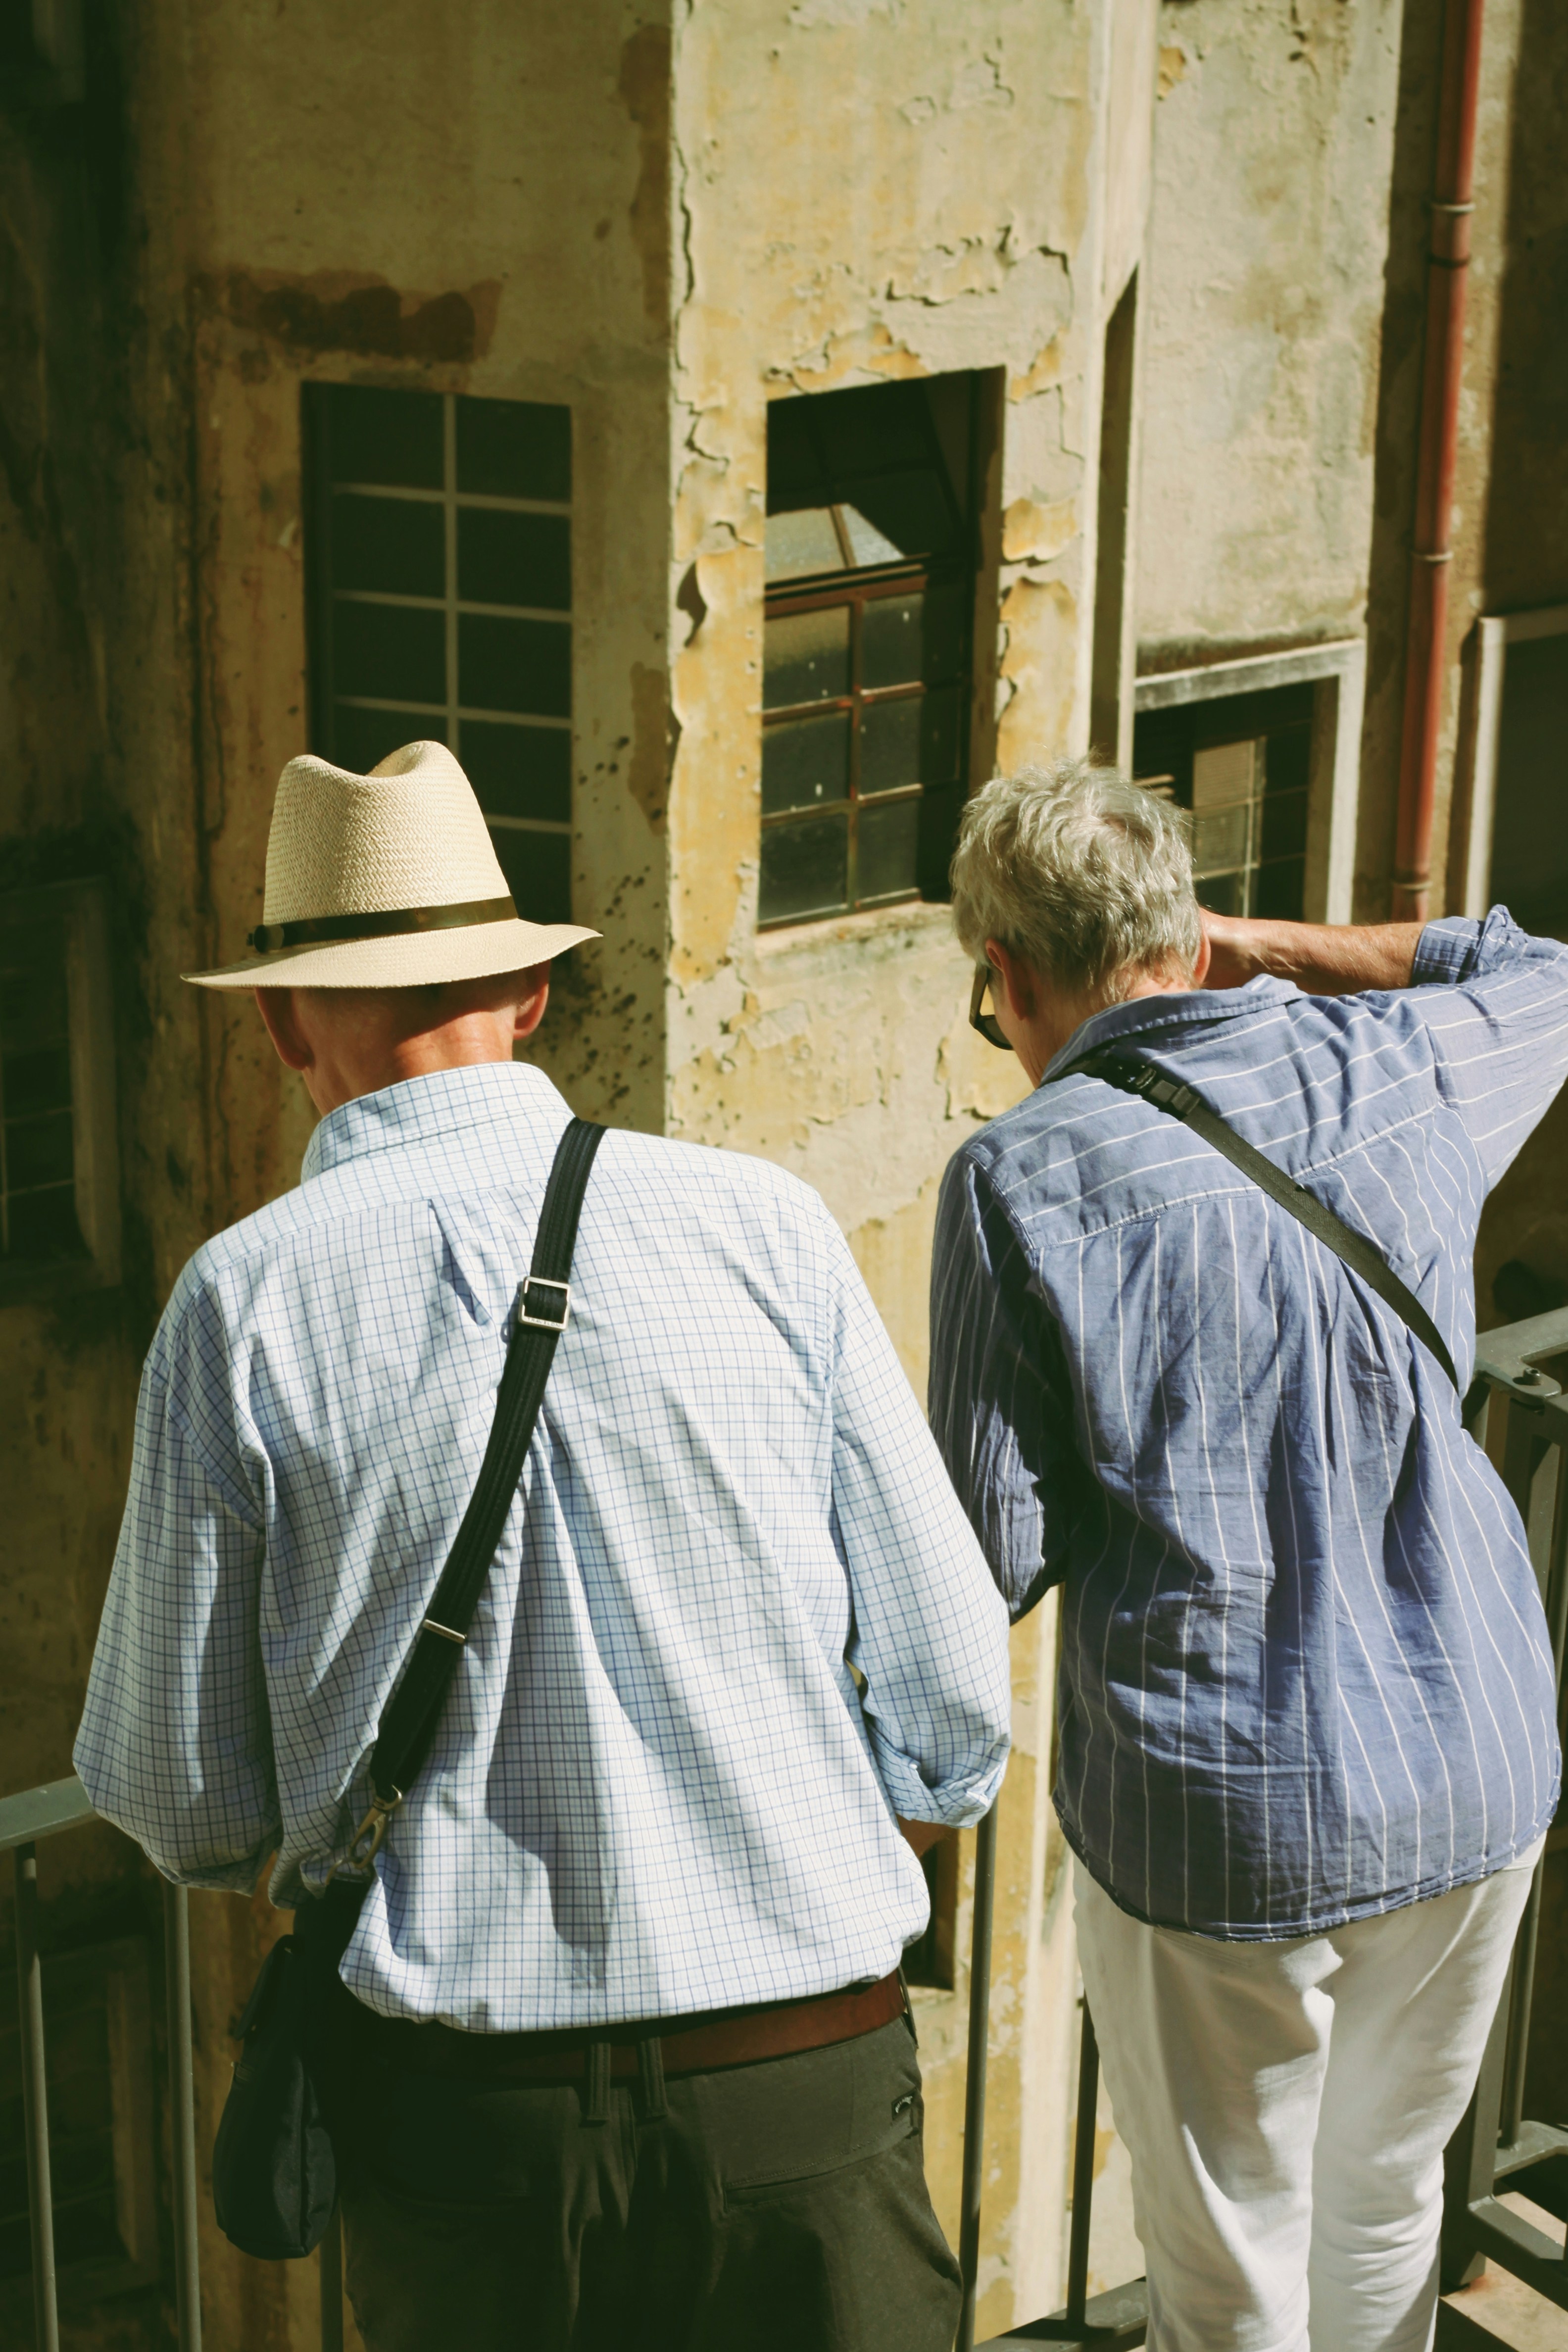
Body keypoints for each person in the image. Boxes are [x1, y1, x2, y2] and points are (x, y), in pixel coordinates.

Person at [76, 739, 1012, 2352]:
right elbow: (949, 1685)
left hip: (468, 2135)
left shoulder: (237, 1307)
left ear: (287, 1025)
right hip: (802, 2088)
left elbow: (180, 1797)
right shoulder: (761, 1224)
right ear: (525, 997)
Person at [929, 757, 1563, 2352]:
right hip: (1477, 1756)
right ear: (1190, 930)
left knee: (1226, 2262)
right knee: (1386, 2204)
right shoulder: (1397, 1064)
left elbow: (989, 1549)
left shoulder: (1018, 1178)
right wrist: (1259, 945)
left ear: (1005, 977)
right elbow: (1536, 966)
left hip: (1223, 1811)